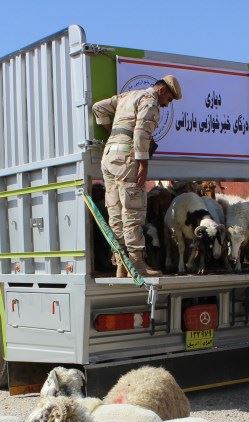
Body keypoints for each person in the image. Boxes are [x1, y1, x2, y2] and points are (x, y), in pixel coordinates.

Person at [92, 75, 182, 277]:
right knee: (132, 211)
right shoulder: (150, 101)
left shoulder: (128, 96)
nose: (167, 105)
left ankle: (121, 266)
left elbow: (98, 107)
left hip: (109, 157)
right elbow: (141, 132)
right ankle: (137, 266)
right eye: (169, 100)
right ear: (163, 91)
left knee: (115, 212)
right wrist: (143, 163)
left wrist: (113, 133)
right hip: (127, 159)